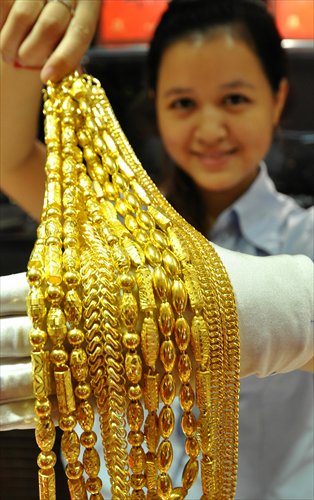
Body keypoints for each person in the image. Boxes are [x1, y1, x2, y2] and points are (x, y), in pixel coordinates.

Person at [0, 0, 313, 499]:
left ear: (277, 100)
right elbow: (11, 156)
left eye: (234, 99)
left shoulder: (306, 242)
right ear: (157, 105)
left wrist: (291, 312)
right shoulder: (111, 230)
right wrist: (23, 52)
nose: (210, 129)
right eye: (183, 103)